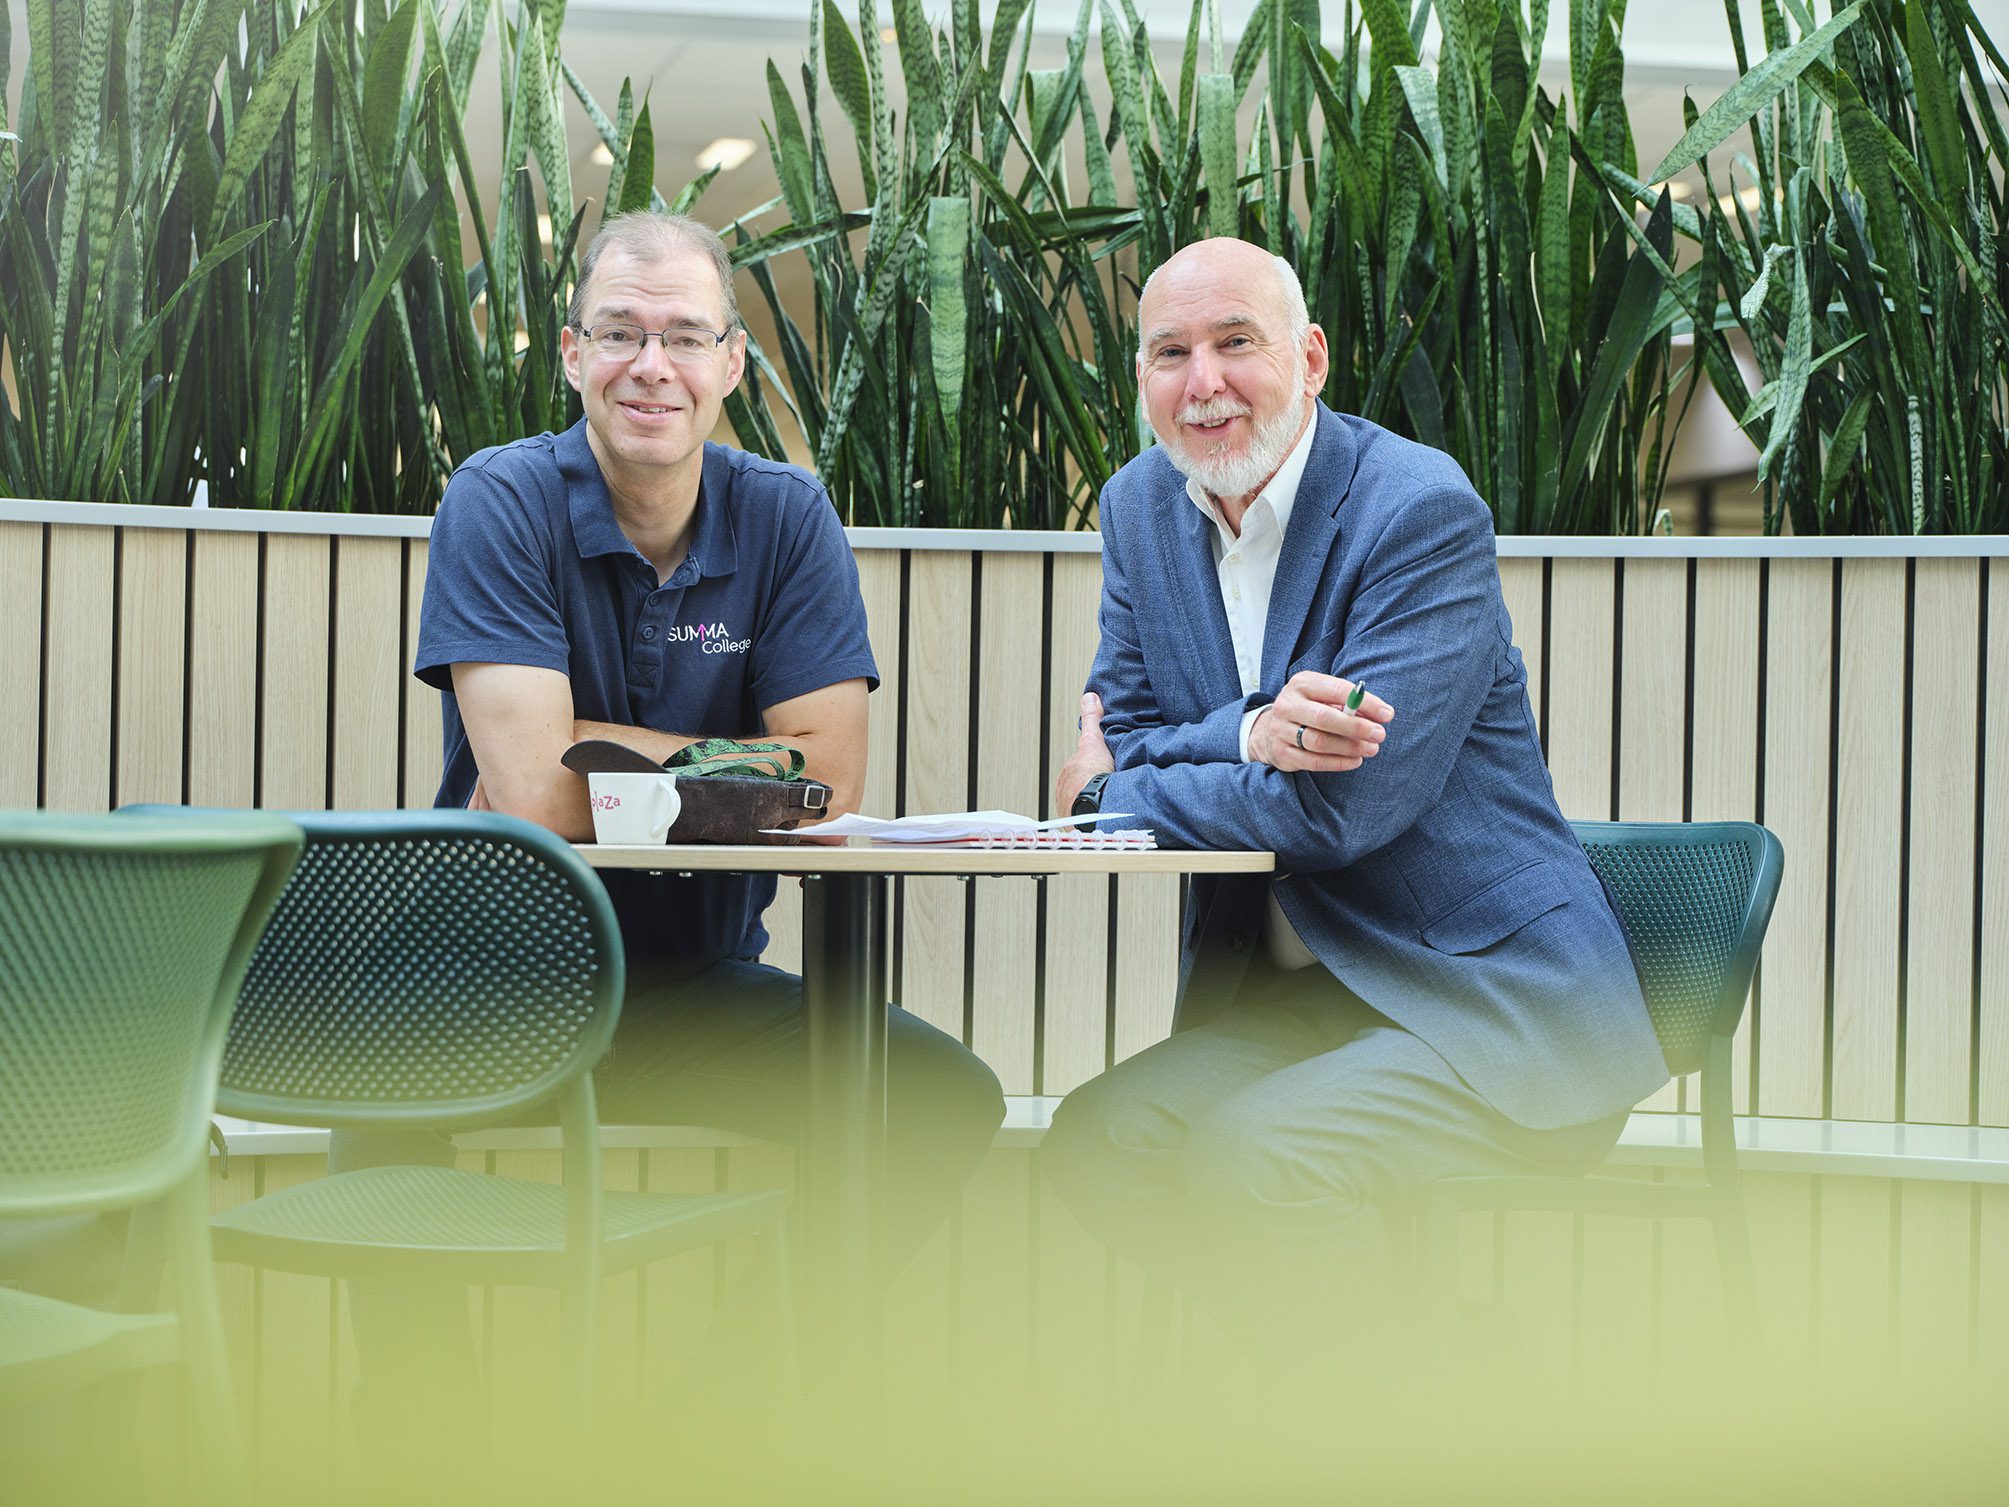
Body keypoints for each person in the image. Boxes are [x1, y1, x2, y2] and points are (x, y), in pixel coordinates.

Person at [346, 213, 1003, 1439]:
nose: (652, 363)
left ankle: (716, 1425)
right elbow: (539, 799)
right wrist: (741, 764)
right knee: (374, 1076)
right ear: (571, 352)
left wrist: (602, 748)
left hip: (691, 986)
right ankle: (418, 1439)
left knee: (938, 1100)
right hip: (488, 987)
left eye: (685, 336)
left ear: (730, 365)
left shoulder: (785, 517)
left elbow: (830, 788)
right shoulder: (500, 498)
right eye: (621, 332)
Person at [1043, 238, 1669, 1387]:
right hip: (1304, 998)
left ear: (1310, 357)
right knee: (1097, 1145)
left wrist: (1120, 785)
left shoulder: (1413, 509)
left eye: (1236, 343)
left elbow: (1337, 813)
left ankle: (1381, 1440)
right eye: (1169, 353)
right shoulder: (1138, 506)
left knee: (1255, 1160)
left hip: (1486, 999)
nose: (1203, 383)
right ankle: (1420, 1393)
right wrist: (1238, 736)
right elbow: (1116, 754)